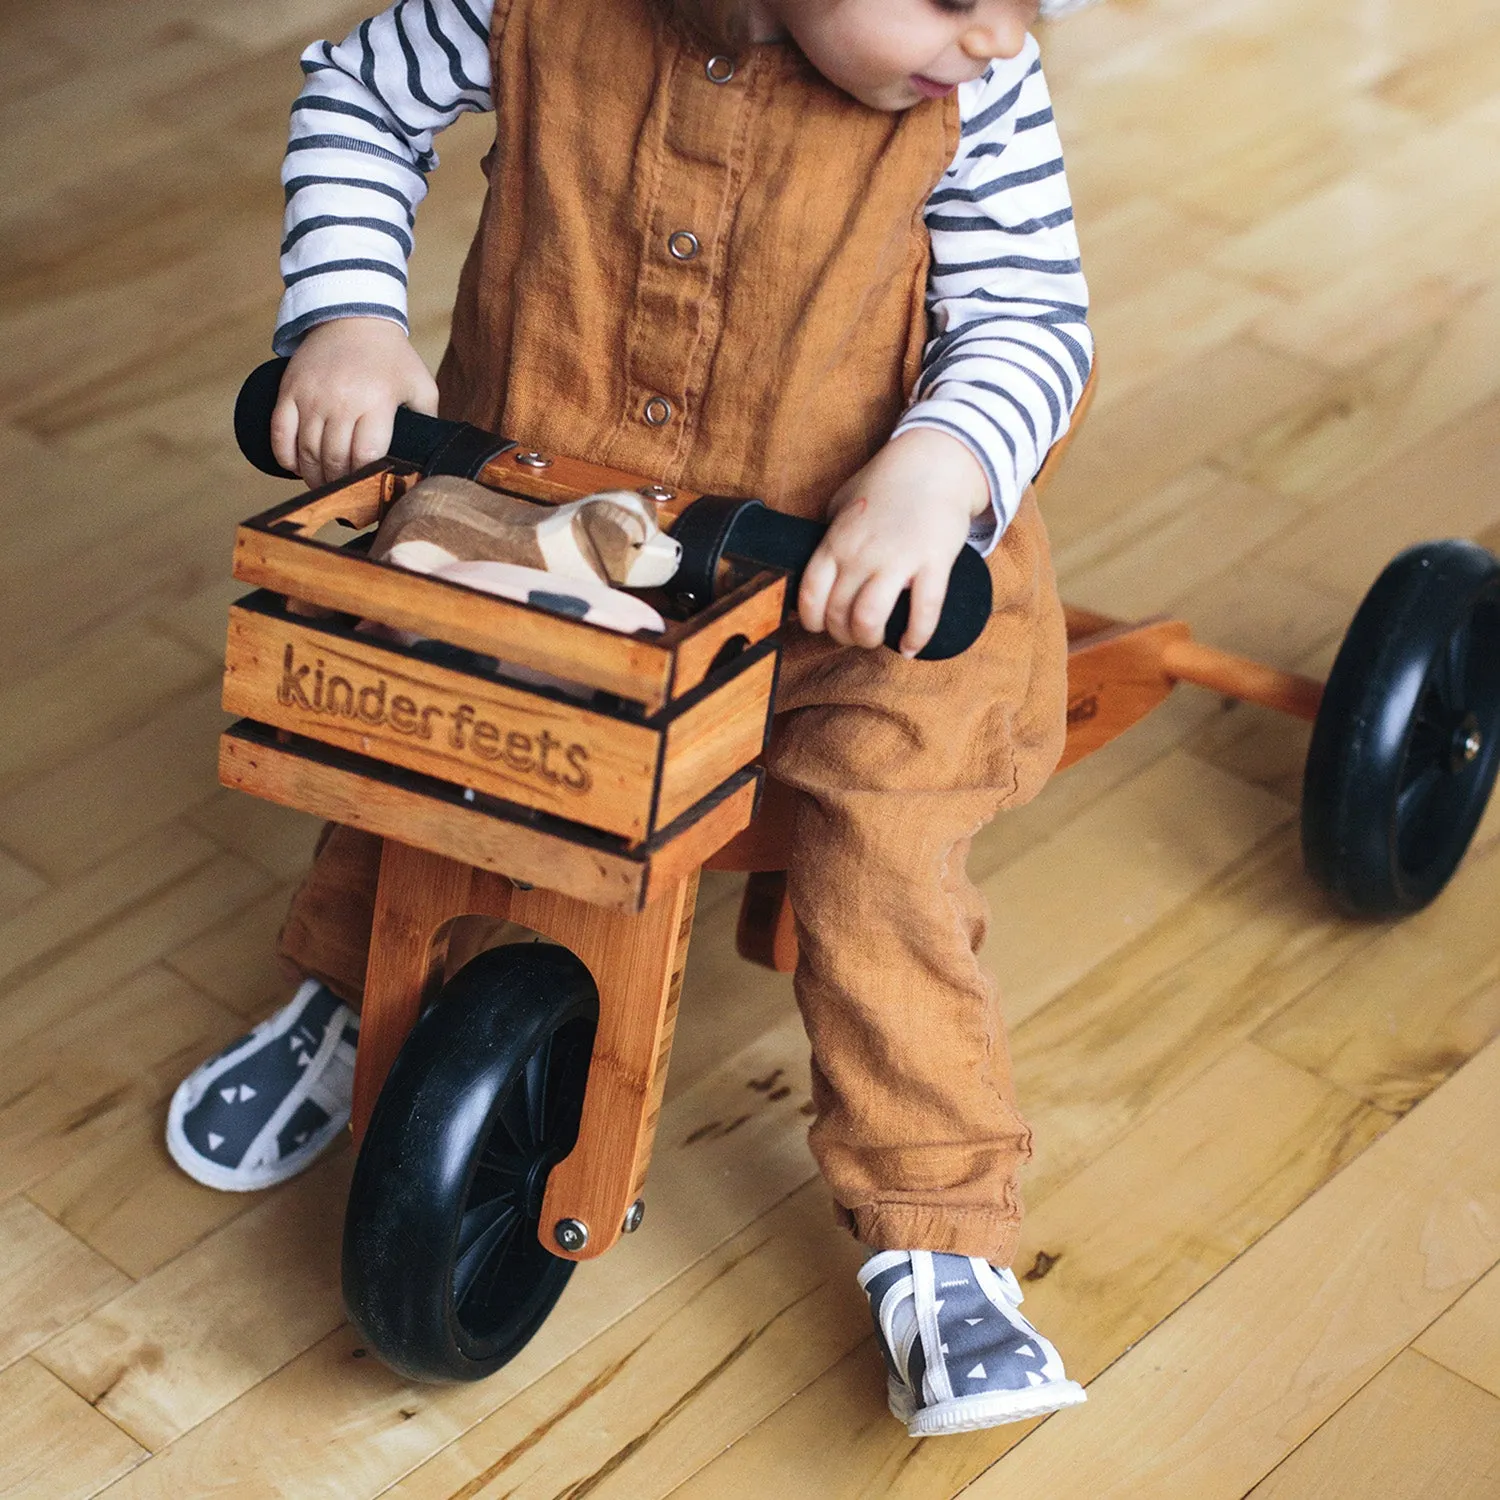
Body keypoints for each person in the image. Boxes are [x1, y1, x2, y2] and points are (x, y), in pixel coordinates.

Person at [169, 0, 1097, 1435]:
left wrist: (937, 471)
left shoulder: (980, 81)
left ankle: (938, 1222)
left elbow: (1031, 310)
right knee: (419, 712)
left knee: (877, 850)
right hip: (542, 520)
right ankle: (350, 990)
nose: (991, 31)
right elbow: (361, 95)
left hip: (842, 588)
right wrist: (348, 312)